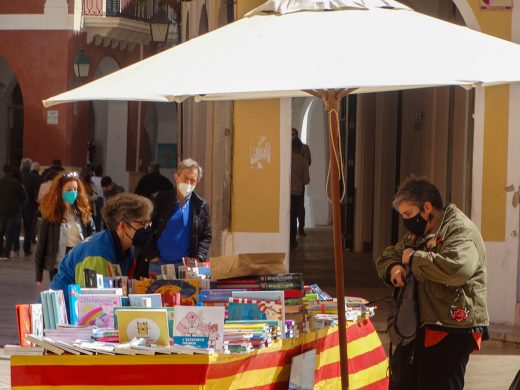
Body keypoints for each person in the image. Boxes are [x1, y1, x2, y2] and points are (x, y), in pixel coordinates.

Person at [374, 176, 489, 390]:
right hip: (420, 327)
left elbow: (458, 269)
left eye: (408, 214)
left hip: (452, 328)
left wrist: (415, 259)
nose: (406, 221)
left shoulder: (460, 231)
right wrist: (394, 268)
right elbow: (390, 254)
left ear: (427, 208)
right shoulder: (419, 233)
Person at [49, 193, 153, 302]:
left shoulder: (126, 248)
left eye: (149, 223)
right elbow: (95, 305)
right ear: (123, 226)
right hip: (63, 314)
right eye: (144, 223)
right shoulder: (97, 255)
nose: (148, 228)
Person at [143, 158, 211, 276]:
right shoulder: (160, 199)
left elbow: (206, 235)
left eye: (192, 180)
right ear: (176, 177)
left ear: (197, 182)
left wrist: (199, 257)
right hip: (159, 265)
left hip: (186, 268)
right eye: (185, 178)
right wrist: (151, 254)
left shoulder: (201, 206)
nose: (188, 183)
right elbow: (146, 226)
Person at [35, 171, 95, 284]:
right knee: (61, 296)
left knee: (78, 297)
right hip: (58, 264)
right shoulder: (50, 216)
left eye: (75, 189)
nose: (73, 193)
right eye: (69, 190)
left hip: (80, 261)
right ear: (60, 191)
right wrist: (39, 274)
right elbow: (41, 245)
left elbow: (93, 237)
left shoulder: (83, 212)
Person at [0, 165, 26, 260]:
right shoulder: (16, 184)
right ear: (11, 172)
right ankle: (6, 253)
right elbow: (23, 197)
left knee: (0, 232)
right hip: (12, 212)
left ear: (3, 171)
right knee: (9, 233)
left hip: (1, 212)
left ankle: (0, 252)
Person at [290, 138, 310, 249]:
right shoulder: (303, 161)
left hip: (286, 193)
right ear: (299, 148)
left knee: (287, 217)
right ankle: (293, 241)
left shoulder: (286, 159)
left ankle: (285, 240)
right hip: (297, 193)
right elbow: (306, 180)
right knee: (294, 217)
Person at [21, 158, 40, 256]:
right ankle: (26, 249)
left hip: (20, 205)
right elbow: (34, 193)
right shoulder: (31, 177)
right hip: (30, 205)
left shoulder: (19, 176)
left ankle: (14, 247)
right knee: (28, 228)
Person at [91, 165, 104, 231]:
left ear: (94, 172)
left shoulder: (91, 179)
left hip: (93, 199)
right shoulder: (102, 180)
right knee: (99, 218)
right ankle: (98, 230)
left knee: (93, 216)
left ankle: (92, 229)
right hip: (100, 199)